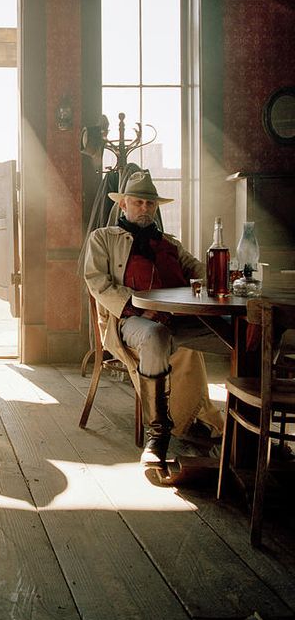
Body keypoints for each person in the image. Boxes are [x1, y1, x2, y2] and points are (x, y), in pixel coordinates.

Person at [84, 170, 224, 466]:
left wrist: (224, 273)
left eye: (150, 204)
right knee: (156, 336)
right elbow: (97, 283)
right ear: (123, 205)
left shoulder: (170, 244)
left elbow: (200, 270)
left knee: (239, 333)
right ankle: (158, 435)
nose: (145, 208)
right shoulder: (103, 239)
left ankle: (244, 429)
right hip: (131, 322)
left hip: (178, 319)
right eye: (138, 202)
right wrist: (138, 309)